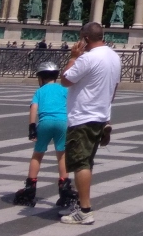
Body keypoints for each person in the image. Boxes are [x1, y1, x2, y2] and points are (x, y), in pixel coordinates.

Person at [59, 21, 122, 225]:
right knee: (87, 162)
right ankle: (81, 204)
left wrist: (73, 57)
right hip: (101, 116)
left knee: (80, 163)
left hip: (83, 116)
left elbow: (66, 80)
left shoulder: (87, 58)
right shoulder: (114, 56)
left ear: (86, 38)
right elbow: (114, 88)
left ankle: (85, 210)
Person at [12, 62, 73, 208]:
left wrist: (32, 127)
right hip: (62, 123)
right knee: (62, 155)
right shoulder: (64, 89)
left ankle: (30, 189)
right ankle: (65, 190)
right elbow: (71, 105)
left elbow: (34, 107)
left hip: (45, 123)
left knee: (37, 155)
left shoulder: (40, 91)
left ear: (41, 77)